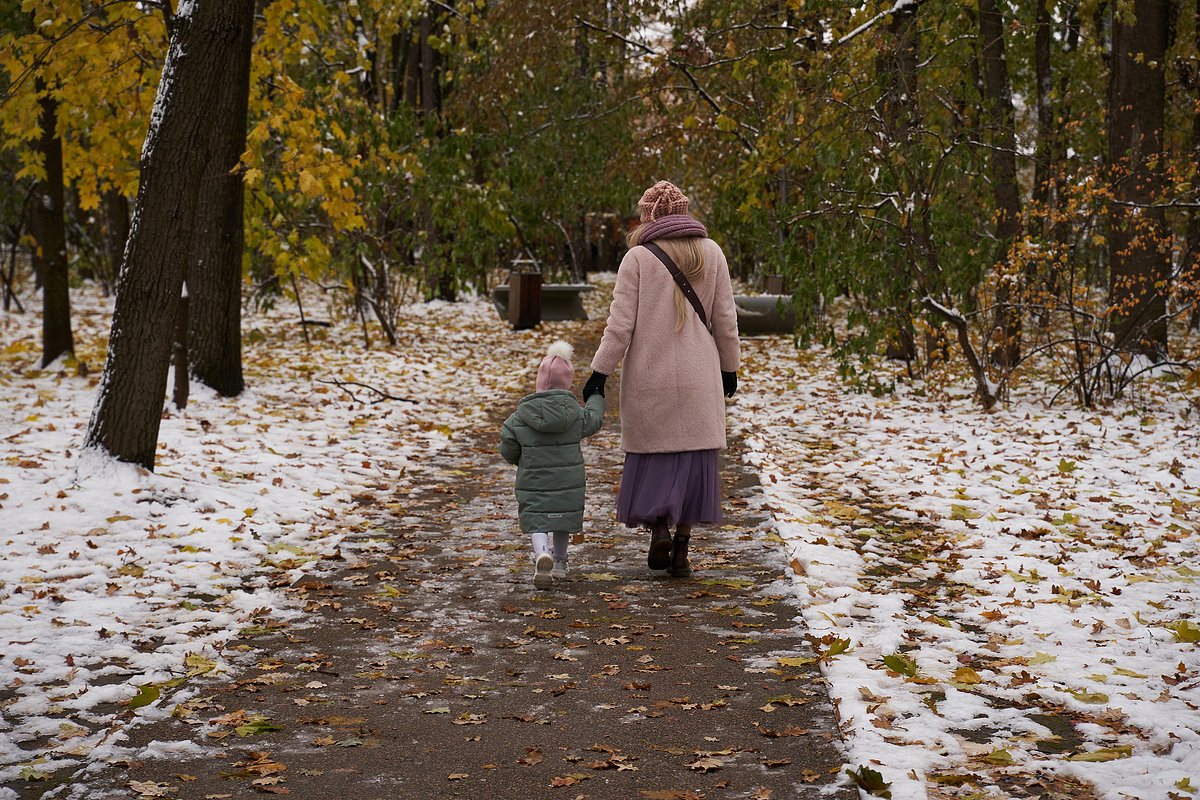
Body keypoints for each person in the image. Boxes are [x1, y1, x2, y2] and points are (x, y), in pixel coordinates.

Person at [583, 180, 740, 578]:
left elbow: (619, 327)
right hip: (700, 376)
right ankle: (683, 547)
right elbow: (725, 320)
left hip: (649, 378)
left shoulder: (637, 259)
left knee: (654, 457)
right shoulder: (712, 252)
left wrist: (599, 374)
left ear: (648, 216)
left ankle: (659, 531)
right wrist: (729, 368)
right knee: (693, 461)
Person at [499, 341, 605, 589]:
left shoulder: (519, 417)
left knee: (538, 519)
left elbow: (508, 444)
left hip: (533, 482)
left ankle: (541, 554)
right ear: (567, 384)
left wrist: (519, 460)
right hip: (568, 484)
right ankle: (559, 562)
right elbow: (595, 418)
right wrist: (597, 396)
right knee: (562, 519)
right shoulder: (576, 415)